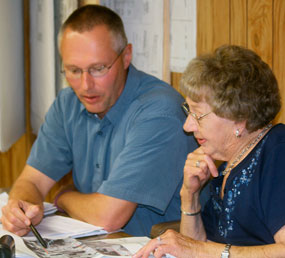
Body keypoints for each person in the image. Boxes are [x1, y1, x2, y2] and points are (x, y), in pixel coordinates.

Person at [0, 5, 196, 237]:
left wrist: (65, 196)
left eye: (98, 69)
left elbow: (108, 217)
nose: (85, 86)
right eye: (73, 70)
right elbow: (31, 180)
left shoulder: (159, 111)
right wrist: (20, 207)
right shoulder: (68, 103)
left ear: (126, 56)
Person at [134, 45, 285, 257]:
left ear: (238, 117)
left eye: (197, 114)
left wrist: (202, 250)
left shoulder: (280, 152)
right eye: (187, 111)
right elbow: (196, 248)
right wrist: (189, 195)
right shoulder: (228, 163)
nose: (187, 126)